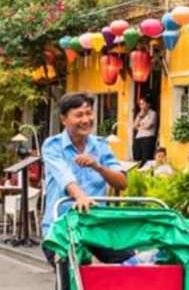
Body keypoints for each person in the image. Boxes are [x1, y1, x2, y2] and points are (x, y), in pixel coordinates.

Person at [41, 93, 128, 259]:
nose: (86, 120)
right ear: (64, 119)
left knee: (130, 263)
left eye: (89, 113)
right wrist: (80, 196)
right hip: (62, 229)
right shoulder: (53, 146)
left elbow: (122, 182)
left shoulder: (101, 145)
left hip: (96, 226)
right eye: (79, 115)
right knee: (73, 275)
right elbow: (64, 175)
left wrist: (97, 166)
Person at [131, 96, 158, 164]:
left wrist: (139, 127)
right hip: (138, 138)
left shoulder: (153, 113)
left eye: (143, 104)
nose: (141, 106)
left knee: (146, 159)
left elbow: (148, 126)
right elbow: (134, 126)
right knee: (136, 157)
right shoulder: (139, 114)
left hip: (148, 138)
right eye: (140, 104)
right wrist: (140, 116)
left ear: (148, 104)